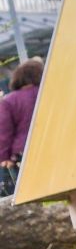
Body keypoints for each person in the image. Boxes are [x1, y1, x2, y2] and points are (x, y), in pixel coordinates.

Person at [0, 58, 38, 198]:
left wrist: (4, 156)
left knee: (27, 191)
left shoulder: (10, 101)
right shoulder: (46, 92)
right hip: (50, 144)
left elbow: (4, 132)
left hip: (23, 152)